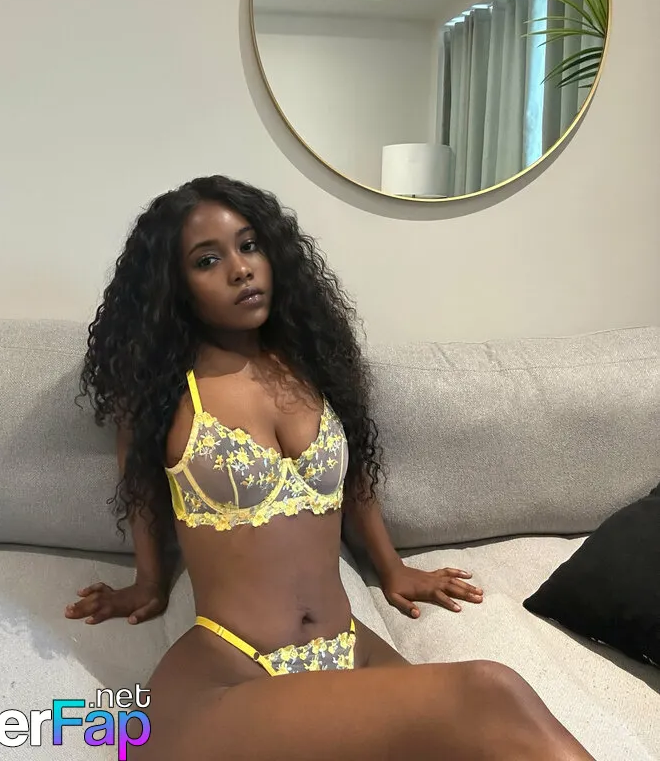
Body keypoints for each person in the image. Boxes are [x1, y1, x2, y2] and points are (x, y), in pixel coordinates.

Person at [66, 175, 595, 761]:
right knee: (491, 690)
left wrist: (391, 568)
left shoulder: (310, 365)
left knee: (492, 732)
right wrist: (147, 582)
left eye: (249, 245)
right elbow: (142, 492)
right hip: (230, 671)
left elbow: (353, 481)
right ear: (174, 286)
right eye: (207, 260)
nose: (241, 270)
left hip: (350, 650)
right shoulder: (162, 395)